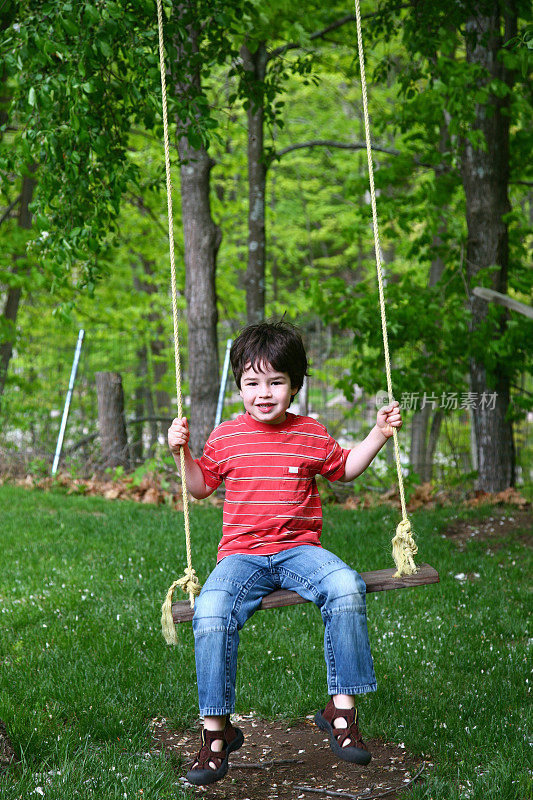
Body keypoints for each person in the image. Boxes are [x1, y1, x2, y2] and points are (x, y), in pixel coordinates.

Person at [168, 319, 402, 786]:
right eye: (252, 382)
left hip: (300, 550)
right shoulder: (227, 436)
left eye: (276, 381)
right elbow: (198, 488)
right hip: (241, 557)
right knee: (210, 611)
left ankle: (341, 711)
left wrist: (377, 434)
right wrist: (184, 454)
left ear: (294, 385)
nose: (264, 392)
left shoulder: (310, 432)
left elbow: (345, 468)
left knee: (346, 586)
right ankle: (216, 734)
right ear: (239, 386)